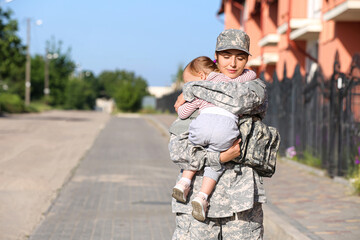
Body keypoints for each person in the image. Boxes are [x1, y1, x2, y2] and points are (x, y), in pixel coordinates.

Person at [169, 29, 276, 240]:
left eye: (240, 57)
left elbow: (238, 100)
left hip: (240, 206)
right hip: (196, 202)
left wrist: (193, 89)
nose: (233, 64)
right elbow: (178, 151)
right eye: (226, 56)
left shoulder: (255, 88)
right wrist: (218, 158)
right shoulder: (194, 97)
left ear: (247, 59)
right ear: (216, 57)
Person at [171, 56, 257, 222]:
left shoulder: (201, 89)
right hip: (226, 130)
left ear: (202, 76)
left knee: (194, 150)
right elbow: (251, 75)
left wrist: (188, 95)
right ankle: (202, 197)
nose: (189, 86)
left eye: (189, 82)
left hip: (202, 126)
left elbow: (183, 113)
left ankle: (184, 182)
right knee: (215, 161)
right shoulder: (234, 82)